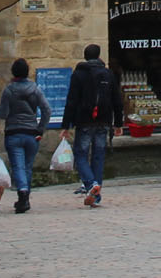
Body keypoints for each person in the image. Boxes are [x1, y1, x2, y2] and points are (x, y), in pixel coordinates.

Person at [59, 44, 119, 208]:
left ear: (85, 57)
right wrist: (118, 123)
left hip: (84, 121)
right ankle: (96, 194)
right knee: (98, 156)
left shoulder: (78, 75)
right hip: (103, 121)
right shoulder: (108, 74)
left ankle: (91, 184)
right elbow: (116, 100)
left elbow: (71, 101)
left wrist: (66, 125)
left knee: (80, 155)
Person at [0, 59, 49, 214]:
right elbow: (47, 109)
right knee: (27, 166)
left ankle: (23, 194)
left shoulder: (9, 90)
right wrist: (40, 129)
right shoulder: (35, 89)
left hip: (13, 132)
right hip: (31, 132)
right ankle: (25, 195)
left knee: (18, 166)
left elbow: (3, 114)